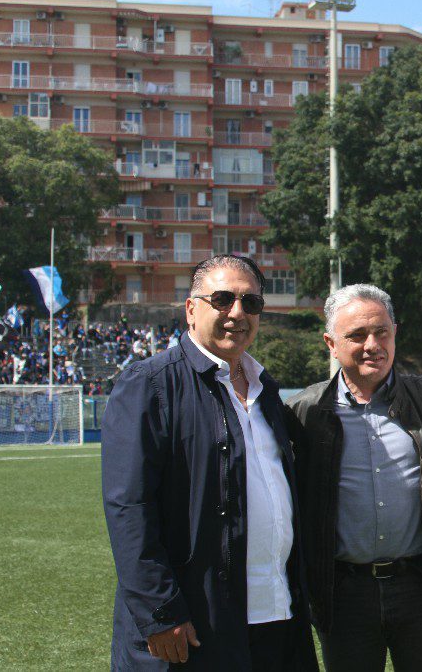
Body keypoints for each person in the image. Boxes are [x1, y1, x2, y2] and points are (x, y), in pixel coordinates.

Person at [102, 255, 318, 671]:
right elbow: (129, 509)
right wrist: (160, 612)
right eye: (222, 299)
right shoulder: (149, 385)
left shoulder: (265, 391)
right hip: (197, 623)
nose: (237, 313)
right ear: (191, 309)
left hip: (276, 614)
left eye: (250, 303)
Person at [287, 284, 422, 672]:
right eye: (357, 335)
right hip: (344, 592)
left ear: (395, 332)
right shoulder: (302, 412)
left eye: (382, 332)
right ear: (330, 342)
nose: (372, 345)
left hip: (421, 586)